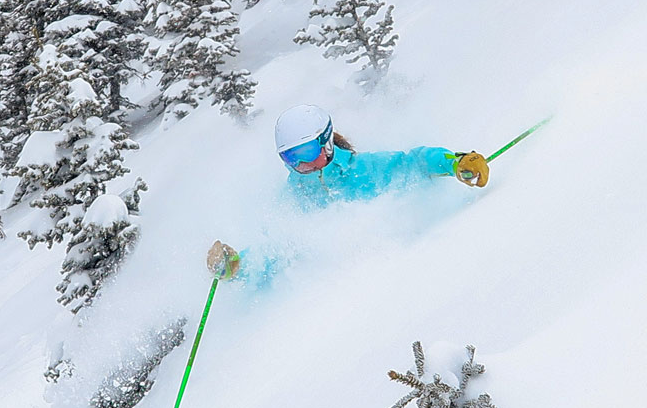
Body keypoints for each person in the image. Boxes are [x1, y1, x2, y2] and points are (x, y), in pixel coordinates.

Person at [207, 104, 490, 280]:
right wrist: (235, 264)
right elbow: (275, 250)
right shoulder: (293, 198)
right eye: (291, 158)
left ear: (326, 142)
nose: (301, 164)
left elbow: (413, 162)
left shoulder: (365, 170)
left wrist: (454, 162)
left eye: (305, 152)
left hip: (402, 273)